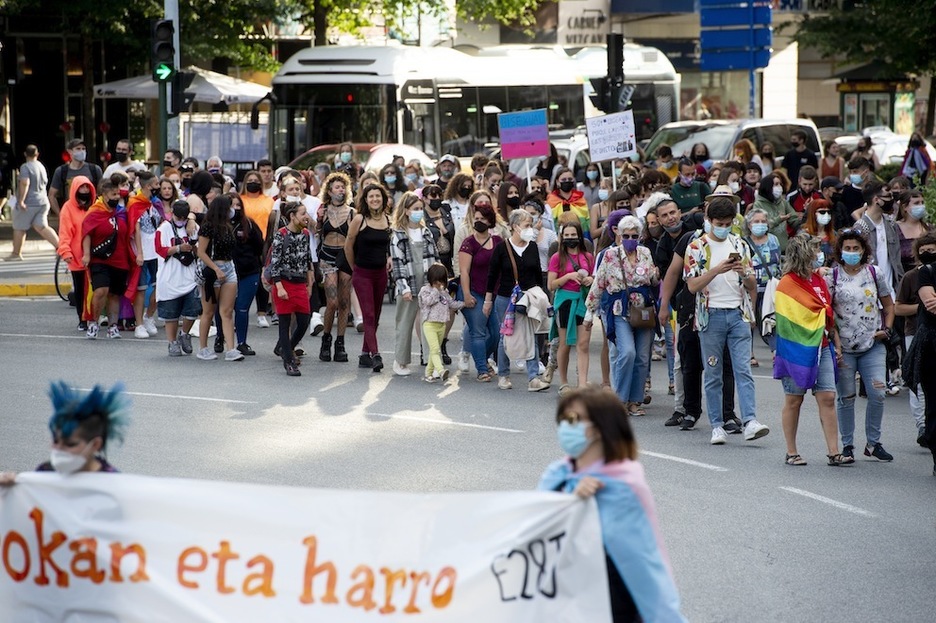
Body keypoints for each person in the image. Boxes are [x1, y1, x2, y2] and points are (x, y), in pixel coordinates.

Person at [538, 388, 686, 623]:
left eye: (573, 420)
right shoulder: (556, 475)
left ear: (598, 428)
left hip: (612, 603)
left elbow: (641, 559)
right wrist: (572, 500)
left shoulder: (621, 485)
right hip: (563, 599)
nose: (564, 427)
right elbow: (535, 533)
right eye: (562, 419)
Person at [684, 197, 769, 445]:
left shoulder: (740, 244)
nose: (724, 227)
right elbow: (692, 286)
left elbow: (753, 283)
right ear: (709, 221)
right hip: (710, 317)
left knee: (743, 370)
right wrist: (716, 270)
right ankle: (717, 426)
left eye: (728, 223)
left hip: (738, 314)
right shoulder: (696, 247)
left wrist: (744, 274)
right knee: (713, 373)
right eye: (719, 223)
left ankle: (750, 420)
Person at [771, 233, 848, 465]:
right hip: (796, 349)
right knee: (794, 399)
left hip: (822, 346)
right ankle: (791, 451)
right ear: (804, 254)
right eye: (815, 250)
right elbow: (787, 320)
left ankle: (834, 452)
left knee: (827, 397)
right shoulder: (787, 283)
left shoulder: (819, 280)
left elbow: (826, 314)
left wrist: (836, 344)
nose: (819, 255)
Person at [827, 228, 895, 462]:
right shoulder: (832, 277)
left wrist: (886, 329)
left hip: (872, 345)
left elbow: (888, 305)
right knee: (846, 397)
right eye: (848, 248)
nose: (852, 252)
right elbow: (826, 312)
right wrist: (833, 340)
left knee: (878, 393)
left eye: (856, 248)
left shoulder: (874, 273)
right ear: (840, 251)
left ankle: (873, 443)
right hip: (844, 347)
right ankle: (847, 445)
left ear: (864, 250)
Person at [586, 215, 658, 414]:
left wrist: (656, 276)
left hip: (642, 309)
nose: (630, 238)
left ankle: (635, 400)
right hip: (619, 309)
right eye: (626, 235)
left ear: (640, 235)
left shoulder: (645, 253)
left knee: (643, 356)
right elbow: (599, 283)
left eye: (634, 235)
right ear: (618, 234)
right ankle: (620, 399)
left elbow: (651, 278)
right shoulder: (610, 255)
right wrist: (589, 313)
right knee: (627, 352)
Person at [0, 381, 130, 485]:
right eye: (56, 441)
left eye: (70, 444)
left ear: (95, 444)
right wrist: (11, 491)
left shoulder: (112, 483)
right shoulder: (44, 473)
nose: (59, 449)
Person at [485, 209, 551, 392]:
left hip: (528, 297)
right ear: (515, 227)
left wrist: (541, 297)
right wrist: (488, 300)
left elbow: (538, 273)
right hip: (506, 297)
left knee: (530, 334)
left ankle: (533, 378)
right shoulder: (501, 247)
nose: (530, 229)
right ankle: (504, 375)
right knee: (505, 335)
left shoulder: (531, 247)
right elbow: (492, 276)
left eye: (530, 225)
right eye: (526, 225)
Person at [390, 192, 440, 376]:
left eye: (421, 209)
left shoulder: (426, 232)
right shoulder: (398, 235)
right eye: (415, 209)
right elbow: (398, 263)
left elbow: (435, 259)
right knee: (405, 322)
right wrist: (404, 288)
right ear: (406, 211)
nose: (419, 212)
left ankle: (432, 362)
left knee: (429, 322)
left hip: (427, 282)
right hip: (408, 283)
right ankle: (400, 361)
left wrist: (436, 285)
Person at [345, 183, 393, 372]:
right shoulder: (359, 219)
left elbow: (390, 246)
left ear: (383, 199)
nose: (375, 199)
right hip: (362, 273)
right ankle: (376, 355)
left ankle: (364, 354)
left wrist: (388, 257)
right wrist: (353, 268)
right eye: (371, 196)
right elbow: (348, 246)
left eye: (378, 196)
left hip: (380, 274)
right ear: (365, 200)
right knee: (369, 315)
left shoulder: (388, 220)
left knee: (377, 316)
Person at [896, 234, 936, 448]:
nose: (929, 254)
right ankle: (923, 427)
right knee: (923, 388)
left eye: (933, 249)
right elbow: (928, 304)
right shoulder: (919, 275)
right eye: (925, 251)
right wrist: (921, 307)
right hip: (922, 336)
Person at [548, 221, 595, 397]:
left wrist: (590, 279)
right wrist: (567, 276)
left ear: (580, 236)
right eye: (566, 236)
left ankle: (582, 383)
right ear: (561, 238)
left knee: (583, 344)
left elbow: (594, 277)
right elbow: (551, 285)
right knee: (565, 343)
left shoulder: (588, 257)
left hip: (583, 301)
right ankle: (564, 382)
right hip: (565, 302)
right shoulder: (556, 258)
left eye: (573, 235)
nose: (570, 239)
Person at [268, 202, 315, 376]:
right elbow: (275, 263)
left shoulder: (305, 234)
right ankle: (289, 361)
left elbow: (308, 258)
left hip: (300, 282)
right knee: (284, 322)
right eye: (303, 213)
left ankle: (285, 346)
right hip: (284, 282)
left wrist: (310, 281)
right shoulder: (281, 235)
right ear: (292, 216)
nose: (306, 217)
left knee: (304, 321)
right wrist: (279, 286)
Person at [81, 180, 132, 340]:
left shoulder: (122, 212)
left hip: (120, 259)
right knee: (101, 290)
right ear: (104, 195)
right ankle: (93, 323)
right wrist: (86, 254)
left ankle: (113, 326)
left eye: (118, 194)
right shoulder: (95, 212)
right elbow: (87, 233)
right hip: (100, 259)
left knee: (115, 295)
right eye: (113, 194)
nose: (116, 197)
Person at [195, 195, 243, 362]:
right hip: (212, 268)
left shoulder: (228, 227)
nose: (233, 210)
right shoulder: (208, 227)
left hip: (229, 267)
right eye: (230, 206)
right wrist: (215, 268)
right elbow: (201, 252)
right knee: (208, 311)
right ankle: (203, 348)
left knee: (227, 311)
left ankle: (231, 349)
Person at [459, 198, 503, 381]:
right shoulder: (468, 243)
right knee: (478, 331)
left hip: (491, 295)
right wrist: (467, 295)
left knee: (496, 333)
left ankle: (481, 359)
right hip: (473, 292)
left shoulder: (498, 241)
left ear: (490, 221)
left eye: (483, 219)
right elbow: (464, 271)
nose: (479, 221)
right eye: (476, 218)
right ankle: (482, 370)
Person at [316, 172, 355, 363]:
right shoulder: (322, 211)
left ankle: (340, 343)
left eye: (343, 187)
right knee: (332, 302)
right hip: (328, 256)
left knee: (345, 302)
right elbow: (315, 234)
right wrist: (317, 219)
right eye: (337, 187)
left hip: (346, 257)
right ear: (329, 191)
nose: (341, 190)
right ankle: (326, 338)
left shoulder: (352, 212)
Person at [155, 200, 201, 357]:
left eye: (184, 217)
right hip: (170, 276)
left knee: (193, 309)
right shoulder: (164, 228)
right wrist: (178, 248)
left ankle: (185, 334)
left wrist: (193, 247)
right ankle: (172, 342)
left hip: (189, 275)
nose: (181, 220)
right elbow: (160, 249)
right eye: (178, 217)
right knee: (171, 313)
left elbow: (201, 247)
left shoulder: (193, 227)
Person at [126, 171, 163, 338]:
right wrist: (139, 253)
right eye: (156, 184)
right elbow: (136, 229)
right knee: (140, 289)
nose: (159, 187)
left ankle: (149, 317)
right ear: (148, 186)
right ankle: (139, 324)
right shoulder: (134, 203)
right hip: (141, 254)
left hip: (157, 253)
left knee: (158, 287)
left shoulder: (156, 203)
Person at [6, 144, 58, 261]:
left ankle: (16, 253)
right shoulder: (41, 166)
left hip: (29, 202)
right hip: (42, 201)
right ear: (37, 154)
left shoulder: (25, 167)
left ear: (25, 154)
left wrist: (21, 200)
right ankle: (61, 247)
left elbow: (25, 183)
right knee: (42, 227)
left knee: (19, 227)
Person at [57, 175, 95, 330]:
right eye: (81, 187)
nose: (85, 190)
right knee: (80, 290)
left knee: (97, 289)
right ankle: (82, 318)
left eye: (87, 187)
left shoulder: (95, 205)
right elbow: (64, 232)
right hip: (76, 257)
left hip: (95, 255)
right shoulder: (68, 208)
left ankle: (95, 316)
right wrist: (65, 251)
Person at [744, 207, 782, 362]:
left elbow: (778, 261)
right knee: (750, 319)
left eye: (763, 221)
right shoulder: (744, 241)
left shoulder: (773, 239)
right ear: (749, 224)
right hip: (751, 286)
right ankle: (749, 352)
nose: (760, 224)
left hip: (770, 287)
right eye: (756, 221)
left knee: (771, 319)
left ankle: (775, 351)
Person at [229, 192, 264, 356]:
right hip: (226, 273)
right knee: (225, 308)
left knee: (242, 308)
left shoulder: (248, 224)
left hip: (249, 271)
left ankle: (242, 342)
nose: (234, 209)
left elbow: (259, 246)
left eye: (237, 205)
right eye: (231, 205)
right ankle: (221, 338)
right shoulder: (217, 225)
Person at [419, 263, 465, 382]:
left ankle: (428, 373)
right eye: (436, 281)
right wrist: (435, 291)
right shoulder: (425, 290)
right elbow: (427, 302)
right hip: (429, 324)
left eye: (441, 281)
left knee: (435, 349)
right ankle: (440, 370)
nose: (439, 284)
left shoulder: (444, 292)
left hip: (441, 325)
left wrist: (464, 304)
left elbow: (451, 304)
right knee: (435, 350)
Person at [48, 138, 103, 216]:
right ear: (70, 151)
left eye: (83, 149)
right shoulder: (62, 171)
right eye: (78, 149)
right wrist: (61, 214)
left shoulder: (94, 169)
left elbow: (103, 193)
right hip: (70, 214)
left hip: (91, 214)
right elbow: (51, 195)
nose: (82, 151)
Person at [750, 173, 800, 253]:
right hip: (768, 251)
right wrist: (778, 219)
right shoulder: (758, 204)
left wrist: (808, 213)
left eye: (780, 184)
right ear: (768, 187)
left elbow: (794, 220)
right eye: (776, 184)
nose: (779, 187)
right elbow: (762, 227)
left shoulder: (783, 202)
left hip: (784, 250)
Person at [896, 189, 932, 274]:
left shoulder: (929, 229)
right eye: (916, 203)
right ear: (905, 207)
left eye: (922, 203)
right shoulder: (894, 229)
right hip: (903, 278)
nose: (921, 206)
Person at [546, 167, 590, 238]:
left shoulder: (580, 199)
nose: (567, 181)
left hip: (580, 236)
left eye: (570, 179)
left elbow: (587, 221)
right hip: (557, 238)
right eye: (563, 179)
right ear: (557, 181)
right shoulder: (551, 200)